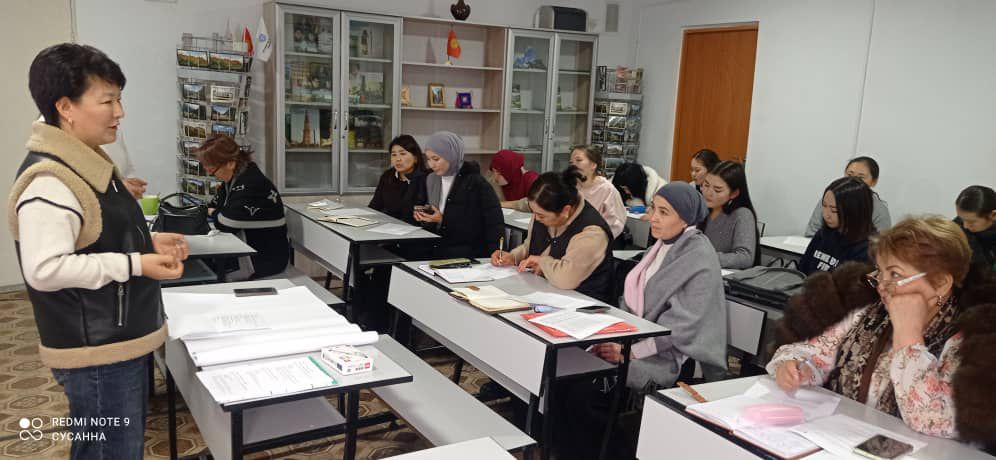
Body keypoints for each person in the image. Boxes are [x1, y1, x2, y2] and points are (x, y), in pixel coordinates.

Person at [10, 43, 187, 459]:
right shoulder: (51, 180)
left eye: (119, 99)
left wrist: (146, 243)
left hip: (114, 341)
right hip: (96, 353)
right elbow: (45, 269)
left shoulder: (87, 163)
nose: (119, 112)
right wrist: (135, 262)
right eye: (107, 101)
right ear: (65, 107)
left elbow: (93, 236)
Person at [770, 216, 996, 444]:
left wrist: (909, 337)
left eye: (895, 275)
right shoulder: (870, 314)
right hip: (841, 441)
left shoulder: (971, 341)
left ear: (940, 283)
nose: (881, 287)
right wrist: (796, 367)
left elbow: (937, 420)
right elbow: (808, 353)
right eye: (880, 272)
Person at [558, 182, 728, 460]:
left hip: (675, 356)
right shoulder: (662, 245)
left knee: (584, 395)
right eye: (653, 209)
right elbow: (630, 301)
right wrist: (614, 339)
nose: (653, 217)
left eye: (664, 212)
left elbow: (682, 328)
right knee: (563, 380)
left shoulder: (699, 257)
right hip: (638, 341)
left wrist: (629, 352)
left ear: (685, 218)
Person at [491, 167, 614, 303]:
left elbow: (566, 279)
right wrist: (513, 257)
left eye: (541, 215)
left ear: (565, 210)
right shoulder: (543, 213)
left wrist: (542, 262)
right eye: (534, 212)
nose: (536, 218)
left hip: (581, 305)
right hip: (541, 293)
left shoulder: (592, 232)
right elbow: (529, 246)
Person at [199, 134, 289, 278]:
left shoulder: (251, 183)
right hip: (251, 250)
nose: (210, 173)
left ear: (230, 163)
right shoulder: (237, 177)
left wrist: (212, 212)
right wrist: (215, 211)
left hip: (264, 260)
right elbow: (215, 206)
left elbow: (226, 223)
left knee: (205, 272)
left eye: (212, 168)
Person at [415, 131, 504, 259]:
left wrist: (442, 220)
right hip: (437, 248)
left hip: (467, 252)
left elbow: (489, 224)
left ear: (451, 156)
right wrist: (425, 218)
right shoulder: (431, 179)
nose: (431, 164)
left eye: (436, 159)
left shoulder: (475, 183)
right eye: (428, 159)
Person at [798, 177, 875, 275]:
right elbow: (802, 271)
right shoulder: (822, 235)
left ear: (854, 211)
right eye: (824, 206)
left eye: (834, 210)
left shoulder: (866, 250)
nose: (826, 214)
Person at [805, 156, 891, 236]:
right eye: (849, 175)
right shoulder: (830, 198)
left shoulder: (879, 210)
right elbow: (812, 232)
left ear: (874, 181)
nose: (853, 180)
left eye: (861, 178)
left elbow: (882, 243)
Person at [699, 160, 761, 269]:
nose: (708, 193)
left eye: (717, 190)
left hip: (724, 275)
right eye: (706, 185)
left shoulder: (742, 215)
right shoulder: (702, 208)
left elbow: (745, 257)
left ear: (734, 193)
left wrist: (704, 257)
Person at [368, 134, 428, 224]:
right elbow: (375, 206)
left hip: (415, 229)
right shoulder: (387, 176)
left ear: (415, 158)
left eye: (403, 154)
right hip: (387, 227)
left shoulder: (426, 179)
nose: (398, 159)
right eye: (394, 155)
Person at [570, 145, 627, 238]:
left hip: (595, 240)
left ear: (593, 165)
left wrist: (596, 238)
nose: (573, 165)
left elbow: (617, 223)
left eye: (578, 160)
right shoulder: (569, 186)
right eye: (571, 162)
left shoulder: (607, 189)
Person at [954, 185, 995, 272]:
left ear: (993, 215)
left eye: (971, 222)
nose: (965, 226)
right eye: (961, 219)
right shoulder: (956, 230)